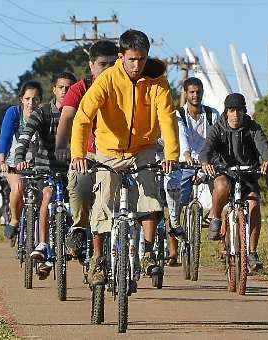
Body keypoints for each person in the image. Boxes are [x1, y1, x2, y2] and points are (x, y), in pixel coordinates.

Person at [70, 29, 179, 285]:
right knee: (103, 200)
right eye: (131, 59)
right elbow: (83, 118)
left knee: (149, 193)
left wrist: (171, 154)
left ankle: (149, 252)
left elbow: (167, 118)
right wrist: (78, 154)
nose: (137, 65)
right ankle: (98, 259)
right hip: (109, 151)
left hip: (143, 149)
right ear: (121, 57)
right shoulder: (107, 80)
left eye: (142, 59)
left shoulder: (156, 79)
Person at [54, 40, 119, 259]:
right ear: (91, 66)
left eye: (113, 63)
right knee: (79, 180)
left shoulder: (127, 87)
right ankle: (80, 226)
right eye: (103, 64)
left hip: (117, 154)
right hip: (87, 153)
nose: (108, 69)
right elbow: (67, 117)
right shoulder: (79, 89)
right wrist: (62, 146)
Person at [200, 93, 268, 272]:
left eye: (239, 111)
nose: (236, 115)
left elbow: (264, 146)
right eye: (232, 110)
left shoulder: (252, 127)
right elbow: (206, 149)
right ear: (226, 112)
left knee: (254, 206)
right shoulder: (218, 128)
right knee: (222, 186)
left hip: (248, 175)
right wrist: (205, 162)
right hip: (224, 172)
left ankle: (252, 252)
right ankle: (216, 218)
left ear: (244, 112)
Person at [15, 71, 76, 278]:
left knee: (84, 198)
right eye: (61, 87)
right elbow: (26, 135)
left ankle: (76, 241)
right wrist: (20, 156)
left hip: (72, 170)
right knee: (48, 195)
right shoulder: (42, 113)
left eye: (69, 88)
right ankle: (43, 244)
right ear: (54, 90)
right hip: (45, 169)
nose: (65, 92)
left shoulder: (80, 113)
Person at [164, 77, 220, 266]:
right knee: (175, 204)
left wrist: (209, 159)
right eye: (191, 92)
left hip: (208, 162)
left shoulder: (212, 115)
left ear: (203, 92)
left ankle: (224, 244)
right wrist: (186, 154)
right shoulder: (179, 114)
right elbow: (181, 134)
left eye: (198, 92)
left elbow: (216, 138)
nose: (195, 95)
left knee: (223, 194)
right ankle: (173, 251)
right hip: (185, 163)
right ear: (185, 94)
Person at [0, 80, 43, 245]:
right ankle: (15, 220)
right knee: (18, 188)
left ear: (41, 101)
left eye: (36, 99)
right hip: (12, 161)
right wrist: (2, 159)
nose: (31, 103)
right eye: (28, 99)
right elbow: (5, 137)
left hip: (36, 161)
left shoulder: (43, 115)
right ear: (21, 99)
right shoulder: (13, 113)